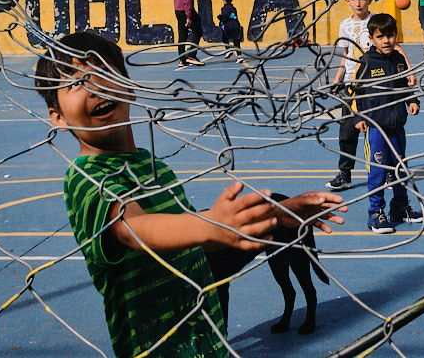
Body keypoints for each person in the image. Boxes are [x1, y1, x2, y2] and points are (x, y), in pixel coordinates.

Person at [36, 32, 344, 358]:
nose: (94, 85)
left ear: (127, 86)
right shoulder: (85, 177)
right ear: (57, 118)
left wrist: (278, 213)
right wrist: (213, 225)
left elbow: (188, 240)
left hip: (207, 341)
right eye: (76, 82)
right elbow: (133, 229)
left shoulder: (154, 167)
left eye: (103, 73)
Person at [352, 14, 423, 233]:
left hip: (397, 127)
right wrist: (358, 117)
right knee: (378, 172)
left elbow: (406, 84)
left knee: (400, 169)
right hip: (376, 129)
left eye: (390, 36)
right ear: (372, 38)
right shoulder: (366, 62)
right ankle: (375, 213)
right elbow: (354, 92)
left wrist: (412, 99)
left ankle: (400, 207)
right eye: (380, 36)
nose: (386, 41)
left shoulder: (399, 60)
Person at [326, 0, 374, 191]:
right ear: (347, 1)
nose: (358, 3)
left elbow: (393, 48)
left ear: (370, 0)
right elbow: (345, 54)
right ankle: (345, 173)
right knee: (347, 131)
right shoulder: (344, 25)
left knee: (377, 131)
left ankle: (387, 172)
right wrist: (337, 80)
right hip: (351, 85)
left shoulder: (377, 21)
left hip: (374, 83)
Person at [173, 0, 201, 67]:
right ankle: (192, 55)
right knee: (198, 30)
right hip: (185, 11)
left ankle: (182, 59)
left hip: (178, 10)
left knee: (182, 35)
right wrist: (189, 16)